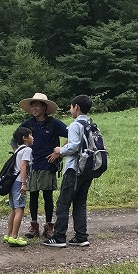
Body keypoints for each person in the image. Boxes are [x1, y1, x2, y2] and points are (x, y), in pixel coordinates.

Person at [44, 95, 95, 248]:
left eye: (71, 106)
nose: (70, 109)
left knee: (63, 203)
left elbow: (73, 146)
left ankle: (59, 237)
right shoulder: (91, 124)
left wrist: (60, 150)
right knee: (80, 203)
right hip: (88, 169)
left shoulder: (75, 125)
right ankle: (81, 236)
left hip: (74, 169)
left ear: (77, 107)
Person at [18, 93, 69, 239]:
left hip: (48, 165)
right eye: (32, 105)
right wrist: (20, 153)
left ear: (44, 107)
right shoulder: (28, 124)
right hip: (32, 165)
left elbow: (72, 135)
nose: (33, 108)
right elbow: (15, 139)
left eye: (36, 105)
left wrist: (59, 153)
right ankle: (34, 226)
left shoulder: (54, 123)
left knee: (47, 196)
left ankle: (49, 226)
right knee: (33, 195)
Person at [4, 127, 34, 247]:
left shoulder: (18, 150)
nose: (33, 138)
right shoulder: (27, 150)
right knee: (19, 209)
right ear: (25, 138)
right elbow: (23, 166)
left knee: (13, 209)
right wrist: (24, 183)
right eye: (31, 135)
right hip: (19, 183)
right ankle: (15, 237)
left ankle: (9, 234)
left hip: (12, 183)